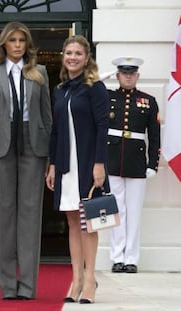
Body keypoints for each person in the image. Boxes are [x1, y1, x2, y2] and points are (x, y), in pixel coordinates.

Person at [0, 21, 52, 300]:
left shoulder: (40, 72)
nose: (18, 45)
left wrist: (50, 158)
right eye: (13, 40)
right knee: (4, 215)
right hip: (1, 146)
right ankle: (8, 286)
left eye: (22, 40)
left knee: (31, 216)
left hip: (33, 146)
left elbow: (47, 118)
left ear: (27, 44)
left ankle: (28, 286)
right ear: (4, 44)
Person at [45, 35, 110, 304]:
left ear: (86, 58)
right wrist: (51, 164)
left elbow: (102, 127)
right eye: (68, 52)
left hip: (86, 162)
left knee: (89, 222)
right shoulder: (60, 89)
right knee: (72, 221)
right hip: (64, 164)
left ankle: (90, 280)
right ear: (63, 56)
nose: (72, 57)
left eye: (78, 54)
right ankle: (77, 280)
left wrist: (99, 163)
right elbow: (56, 129)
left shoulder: (95, 87)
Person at [107, 57, 160, 274]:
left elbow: (154, 136)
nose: (128, 76)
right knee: (115, 211)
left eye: (132, 73)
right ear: (117, 75)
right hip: (111, 159)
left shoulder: (148, 100)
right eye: (123, 73)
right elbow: (88, 88)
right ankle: (117, 257)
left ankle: (131, 259)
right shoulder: (107, 97)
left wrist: (153, 164)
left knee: (134, 211)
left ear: (137, 76)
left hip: (137, 161)